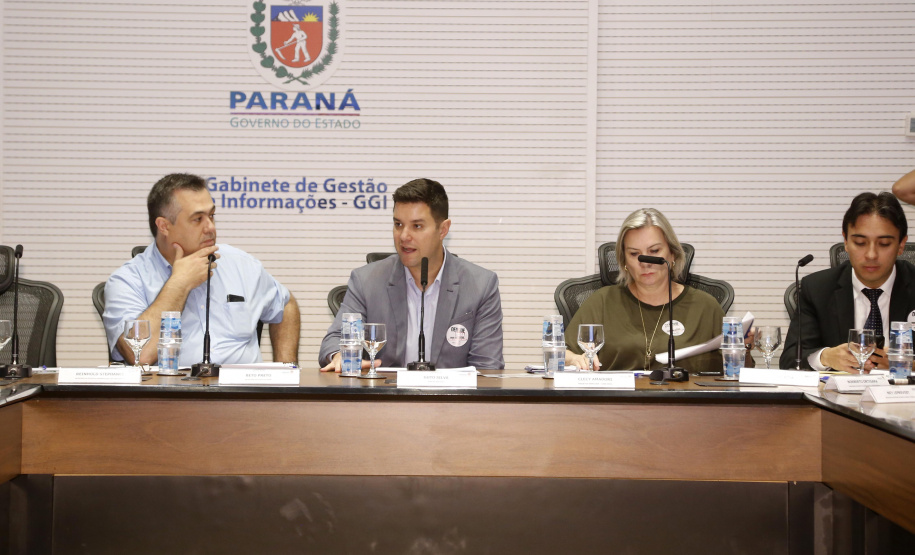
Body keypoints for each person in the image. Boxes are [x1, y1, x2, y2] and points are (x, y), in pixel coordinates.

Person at [104, 173, 300, 366]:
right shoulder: (127, 281)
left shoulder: (240, 263)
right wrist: (179, 284)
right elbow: (141, 356)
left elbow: (285, 304)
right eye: (197, 219)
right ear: (163, 226)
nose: (210, 227)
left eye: (212, 215)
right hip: (172, 394)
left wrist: (286, 371)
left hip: (244, 393)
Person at [320, 178, 504, 371]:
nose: (404, 236)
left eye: (417, 226)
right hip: (385, 397)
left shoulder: (481, 285)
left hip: (451, 399)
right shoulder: (366, 281)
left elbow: (488, 367)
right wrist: (340, 355)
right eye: (398, 224)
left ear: (443, 229)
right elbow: (334, 340)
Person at [565, 208, 736, 374]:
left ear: (673, 254)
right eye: (634, 254)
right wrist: (574, 360)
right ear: (624, 260)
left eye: (654, 251)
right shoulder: (602, 301)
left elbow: (737, 368)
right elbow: (561, 352)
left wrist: (746, 345)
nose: (645, 262)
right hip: (618, 400)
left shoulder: (705, 306)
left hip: (683, 400)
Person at [780, 192, 915, 373]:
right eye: (860, 242)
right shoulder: (817, 288)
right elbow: (790, 360)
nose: (871, 255)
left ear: (901, 245)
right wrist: (826, 357)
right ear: (845, 241)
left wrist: (903, 363)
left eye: (883, 244)